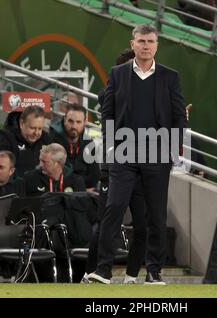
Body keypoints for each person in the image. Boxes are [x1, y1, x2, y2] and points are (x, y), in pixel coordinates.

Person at [88, 24, 186, 285]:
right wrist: (110, 146)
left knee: (156, 215)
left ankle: (154, 272)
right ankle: (103, 270)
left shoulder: (170, 76)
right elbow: (107, 112)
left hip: (157, 154)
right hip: (123, 152)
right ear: (132, 45)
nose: (145, 45)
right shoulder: (118, 74)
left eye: (150, 41)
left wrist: (173, 151)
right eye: (141, 41)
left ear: (156, 45)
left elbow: (178, 116)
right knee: (114, 207)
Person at [83, 48, 148, 285]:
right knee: (106, 222)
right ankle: (93, 272)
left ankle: (131, 276)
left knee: (142, 224)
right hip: (114, 167)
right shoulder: (109, 94)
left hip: (142, 169)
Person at [0, 106, 52, 177]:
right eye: (32, 128)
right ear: (21, 124)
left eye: (40, 129)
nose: (36, 133)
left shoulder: (46, 140)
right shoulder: (4, 138)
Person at [51, 104, 100, 192]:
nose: (74, 126)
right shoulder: (52, 139)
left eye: (78, 122)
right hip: (60, 191)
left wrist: (85, 189)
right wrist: (80, 188)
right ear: (64, 119)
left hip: (84, 191)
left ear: (84, 123)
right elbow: (56, 173)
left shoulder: (88, 142)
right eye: (70, 121)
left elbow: (94, 175)